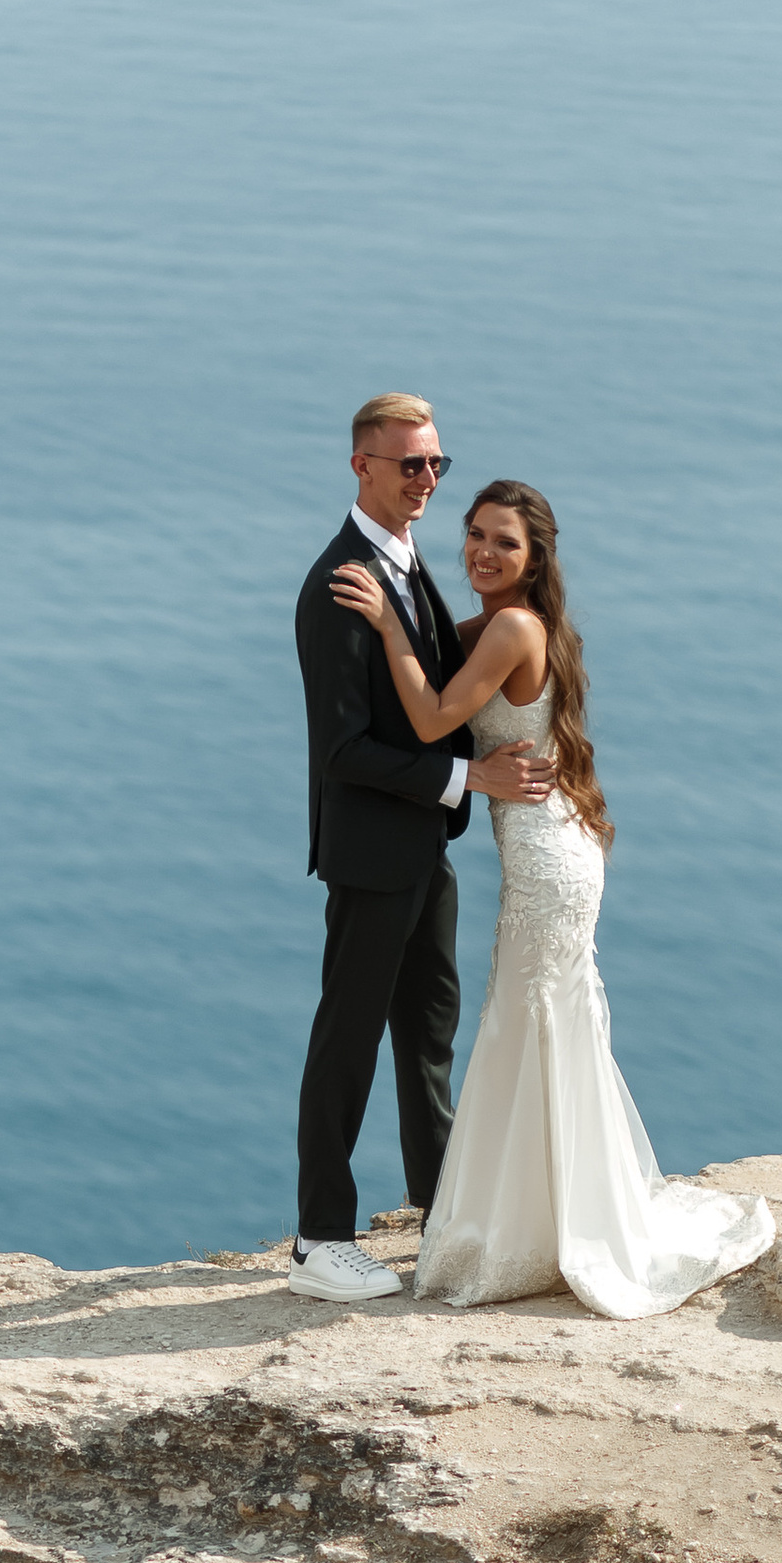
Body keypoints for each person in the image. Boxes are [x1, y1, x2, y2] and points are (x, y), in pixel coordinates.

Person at [331, 480, 774, 1319]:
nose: (482, 553)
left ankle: (532, 1227)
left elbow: (429, 719)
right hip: (553, 842)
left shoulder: (512, 626)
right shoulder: (507, 623)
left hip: (546, 858)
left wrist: (387, 622)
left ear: (535, 558)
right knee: (542, 1025)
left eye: (504, 543)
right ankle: (534, 1215)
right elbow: (431, 660)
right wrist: (398, 613)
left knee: (527, 1021)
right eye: (474, 537)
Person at [288, 394, 558, 1306]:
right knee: (347, 1041)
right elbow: (342, 752)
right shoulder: (341, 585)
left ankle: (439, 1210)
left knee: (427, 1040)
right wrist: (466, 782)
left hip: (420, 852)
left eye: (436, 463)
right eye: (410, 464)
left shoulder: (407, 568)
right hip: (371, 853)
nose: (427, 480)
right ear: (361, 466)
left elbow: (450, 679)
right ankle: (320, 1239)